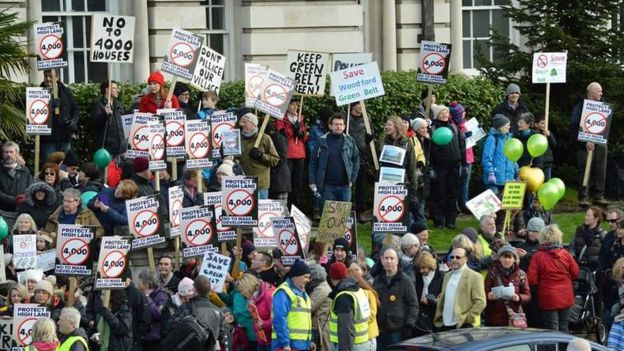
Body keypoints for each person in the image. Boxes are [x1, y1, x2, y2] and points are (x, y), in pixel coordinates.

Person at [528, 224, 579, 332]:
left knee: (552, 329)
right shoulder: (565, 254)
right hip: (566, 295)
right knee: (564, 326)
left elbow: (532, 279)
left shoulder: (538, 256)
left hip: (548, 296)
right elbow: (575, 272)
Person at [570, 82, 610, 206]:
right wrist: (584, 142)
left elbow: (605, 125)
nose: (601, 93)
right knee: (584, 169)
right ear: (591, 92)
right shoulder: (579, 107)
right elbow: (574, 126)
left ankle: (599, 195)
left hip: (600, 143)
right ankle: (583, 197)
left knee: (601, 168)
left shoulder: (603, 107)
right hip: (584, 145)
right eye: (599, 91)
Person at [309, 113, 360, 204]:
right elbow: (313, 162)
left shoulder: (350, 141)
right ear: (330, 126)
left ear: (344, 126)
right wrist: (312, 181)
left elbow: (356, 160)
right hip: (327, 186)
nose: (339, 127)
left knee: (343, 217)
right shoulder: (321, 141)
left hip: (345, 186)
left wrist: (352, 179)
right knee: (327, 216)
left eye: (341, 124)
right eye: (336, 124)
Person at [372, 248, 419, 348]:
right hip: (379, 330)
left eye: (392, 258)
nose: (389, 261)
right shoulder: (377, 280)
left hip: (397, 331)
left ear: (397, 260)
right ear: (381, 259)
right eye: (386, 258)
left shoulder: (405, 281)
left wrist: (409, 325)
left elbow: (413, 305)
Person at [429, 104, 465, 229]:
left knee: (452, 193)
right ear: (437, 115)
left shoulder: (453, 127)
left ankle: (451, 220)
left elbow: (461, 144)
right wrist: (431, 167)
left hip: (454, 165)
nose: (444, 115)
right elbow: (430, 150)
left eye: (446, 113)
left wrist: (462, 159)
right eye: (441, 113)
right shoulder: (432, 129)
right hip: (440, 166)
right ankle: (439, 220)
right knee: (439, 193)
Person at [434, 247, 486, 331]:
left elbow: (480, 302)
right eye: (452, 257)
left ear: (465, 259)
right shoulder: (447, 275)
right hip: (444, 324)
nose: (454, 259)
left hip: (462, 325)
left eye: (458, 257)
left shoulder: (475, 277)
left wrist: (466, 319)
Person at [166, 275, 224, 351]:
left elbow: (170, 327)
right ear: (210, 290)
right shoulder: (219, 312)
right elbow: (221, 336)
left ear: (194, 288)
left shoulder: (186, 307)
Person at [378, 115, 419, 221]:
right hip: (385, 182)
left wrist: (413, 186)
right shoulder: (382, 141)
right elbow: (375, 160)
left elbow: (411, 165)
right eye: (386, 124)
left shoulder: (406, 143)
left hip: (401, 182)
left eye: (389, 125)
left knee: (401, 211)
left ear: (396, 126)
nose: (386, 127)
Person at [271, 259, 314, 351]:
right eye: (305, 277)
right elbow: (280, 318)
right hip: (289, 345)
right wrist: (285, 344)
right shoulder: (283, 292)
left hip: (301, 345)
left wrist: (310, 341)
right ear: (296, 276)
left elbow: (306, 321)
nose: (308, 280)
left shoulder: (303, 294)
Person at [328, 262, 371, 351]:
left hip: (351, 346)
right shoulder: (359, 291)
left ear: (331, 278)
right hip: (364, 343)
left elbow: (346, 329)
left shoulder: (344, 296)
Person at [484, 245, 531, 326]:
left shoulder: (521, 274)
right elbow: (484, 292)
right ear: (500, 258)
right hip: (495, 317)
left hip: (515, 317)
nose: (507, 260)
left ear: (514, 259)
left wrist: (518, 297)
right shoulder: (492, 273)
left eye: (510, 257)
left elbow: (528, 296)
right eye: (504, 257)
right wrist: (488, 296)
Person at [39, 69, 80, 160]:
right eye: (46, 76)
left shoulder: (66, 92)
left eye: (51, 76)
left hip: (64, 136)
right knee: (49, 166)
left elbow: (75, 109)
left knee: (64, 166)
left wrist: (73, 121)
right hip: (48, 139)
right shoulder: (38, 92)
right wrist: (50, 105)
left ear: (57, 77)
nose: (48, 79)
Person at [238, 113, 280, 199]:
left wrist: (261, 156)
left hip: (260, 185)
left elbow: (275, 160)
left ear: (253, 124)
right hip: (242, 184)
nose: (242, 125)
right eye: (241, 123)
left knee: (260, 211)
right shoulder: (238, 138)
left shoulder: (265, 138)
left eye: (245, 122)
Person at [275, 99, 307, 209]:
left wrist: (301, 133)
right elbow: (282, 136)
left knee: (297, 184)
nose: (295, 107)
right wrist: (293, 130)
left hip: (299, 154)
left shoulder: (301, 119)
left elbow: (305, 138)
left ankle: (295, 209)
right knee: (286, 183)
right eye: (292, 105)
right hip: (288, 154)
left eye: (296, 105)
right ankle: (286, 208)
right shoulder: (281, 119)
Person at [346, 102, 374, 223]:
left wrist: (369, 139)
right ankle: (345, 210)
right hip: (346, 155)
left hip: (361, 155)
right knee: (345, 184)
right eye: (359, 105)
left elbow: (371, 134)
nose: (362, 107)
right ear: (353, 105)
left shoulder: (367, 119)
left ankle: (360, 212)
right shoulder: (345, 117)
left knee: (360, 186)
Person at [236, 273, 275, 350]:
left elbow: (278, 319)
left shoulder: (268, 294)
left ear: (247, 286)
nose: (241, 294)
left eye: (241, 290)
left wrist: (263, 324)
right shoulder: (252, 299)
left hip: (272, 340)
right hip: (262, 340)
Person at [448, 102, 474, 213]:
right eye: (463, 112)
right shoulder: (452, 126)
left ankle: (464, 204)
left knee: (465, 182)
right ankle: (456, 205)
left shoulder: (467, 124)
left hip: (468, 157)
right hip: (458, 158)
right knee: (456, 182)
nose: (465, 114)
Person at [307, 107, 333, 221]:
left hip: (331, 162)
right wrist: (321, 154)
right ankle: (316, 209)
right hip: (319, 161)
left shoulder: (333, 129)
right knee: (316, 186)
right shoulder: (315, 129)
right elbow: (311, 146)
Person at [347, 261, 379, 349]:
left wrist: (355, 322)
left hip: (369, 335)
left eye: (356, 270)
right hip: (356, 337)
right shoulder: (349, 291)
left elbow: (372, 314)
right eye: (351, 270)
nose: (353, 273)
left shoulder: (368, 292)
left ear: (363, 271)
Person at [482, 114, 516, 194]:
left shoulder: (509, 139)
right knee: (493, 205)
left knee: (506, 206)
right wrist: (490, 173)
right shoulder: (492, 139)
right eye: (507, 125)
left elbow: (512, 158)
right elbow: (486, 158)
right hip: (495, 180)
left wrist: (516, 172)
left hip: (508, 179)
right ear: (501, 127)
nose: (509, 127)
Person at [93, 80, 126, 157]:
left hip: (120, 146)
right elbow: (97, 123)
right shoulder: (99, 105)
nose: (117, 90)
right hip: (107, 147)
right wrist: (105, 114)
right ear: (107, 90)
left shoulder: (118, 105)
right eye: (114, 88)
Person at [138, 270, 169, 350]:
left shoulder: (161, 296)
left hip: (155, 340)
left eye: (140, 283)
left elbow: (158, 314)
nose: (138, 286)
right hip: (143, 338)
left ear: (148, 284)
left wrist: (147, 297)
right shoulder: (141, 296)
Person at [413, 252, 443, 335]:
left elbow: (441, 297)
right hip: (420, 314)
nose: (421, 271)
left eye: (424, 268)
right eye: (419, 268)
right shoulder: (418, 276)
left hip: (434, 314)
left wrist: (430, 300)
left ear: (430, 265)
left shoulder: (440, 277)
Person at [0, 141, 33, 212]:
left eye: (11, 152)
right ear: (2, 154)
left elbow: (31, 188)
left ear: (17, 154)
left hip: (21, 211)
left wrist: (24, 198)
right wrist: (14, 200)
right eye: (6, 152)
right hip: (2, 211)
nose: (8, 155)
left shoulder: (25, 171)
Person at [306, 263, 332, 351]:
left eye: (308, 277)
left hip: (318, 329)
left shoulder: (321, 290)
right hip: (318, 327)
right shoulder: (320, 287)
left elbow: (308, 307)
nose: (307, 280)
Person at [266, 122, 291, 201]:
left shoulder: (279, 139)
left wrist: (264, 158)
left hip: (279, 180)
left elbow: (282, 159)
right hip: (276, 180)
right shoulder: (277, 138)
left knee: (280, 209)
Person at [533, 113, 557, 180]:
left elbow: (554, 144)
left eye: (546, 123)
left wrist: (549, 136)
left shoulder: (547, 133)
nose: (545, 125)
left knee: (547, 181)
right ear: (536, 124)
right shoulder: (534, 134)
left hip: (547, 161)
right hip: (537, 163)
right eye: (542, 123)